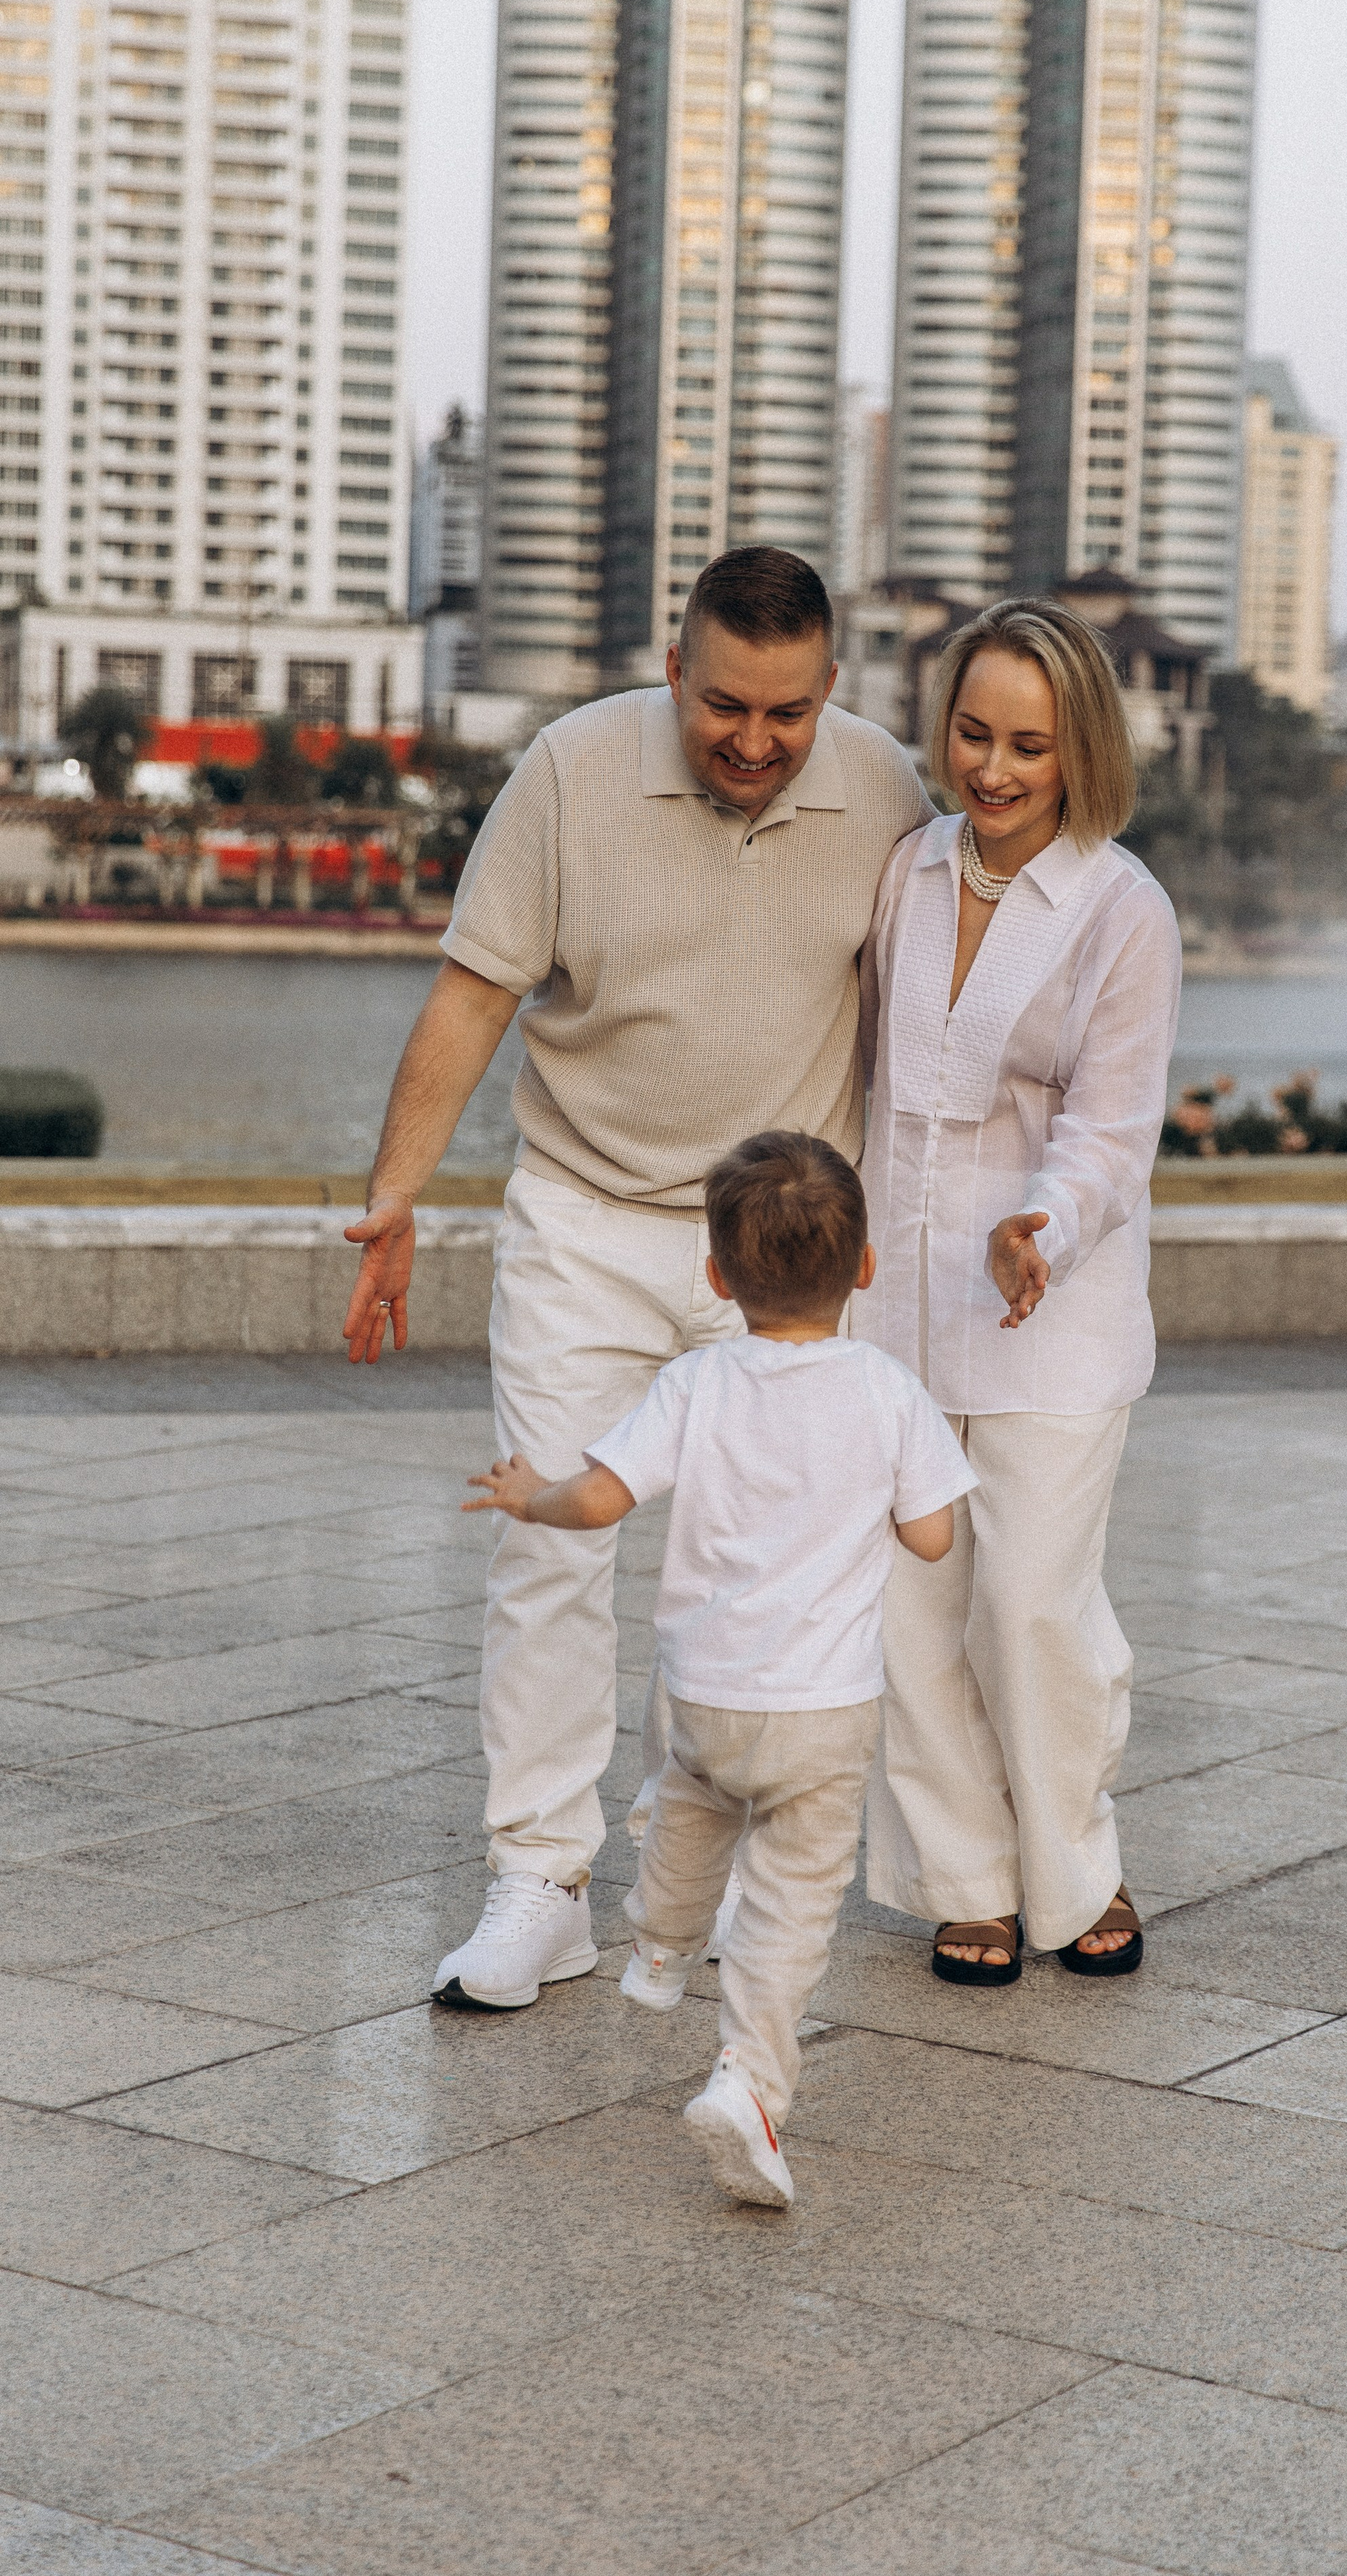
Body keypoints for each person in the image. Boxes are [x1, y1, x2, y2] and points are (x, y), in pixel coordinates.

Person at [340, 546, 930, 2012]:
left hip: (780, 1257)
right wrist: (393, 1199)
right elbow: (475, 989)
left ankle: (722, 1868)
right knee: (549, 1540)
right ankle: (540, 1880)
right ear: (675, 669)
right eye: (723, 703)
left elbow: (935, 1016)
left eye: (785, 714)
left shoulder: (888, 793)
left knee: (762, 1566)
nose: (751, 740)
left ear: (829, 696)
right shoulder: (569, 773)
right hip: (586, 1222)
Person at [464, 1132, 975, 2206]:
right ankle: (748, 2082)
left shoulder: (697, 1382)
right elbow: (933, 1539)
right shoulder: (888, 1391)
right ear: (866, 1268)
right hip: (824, 1712)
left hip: (704, 1693)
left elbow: (599, 1503)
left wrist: (529, 1495)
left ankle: (657, 1950)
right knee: (792, 1901)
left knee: (689, 1805)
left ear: (715, 1277)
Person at [853, 597, 1182, 1986]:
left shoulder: (1125, 907)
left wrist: (1044, 1219)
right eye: (974, 734)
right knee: (914, 1611)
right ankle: (964, 1880)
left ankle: (1076, 1863)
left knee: (1033, 1603)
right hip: (893, 1308)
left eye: (1029, 745)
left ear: (1080, 749)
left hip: (1052, 1310)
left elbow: (1113, 1124)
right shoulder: (908, 873)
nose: (992, 770)